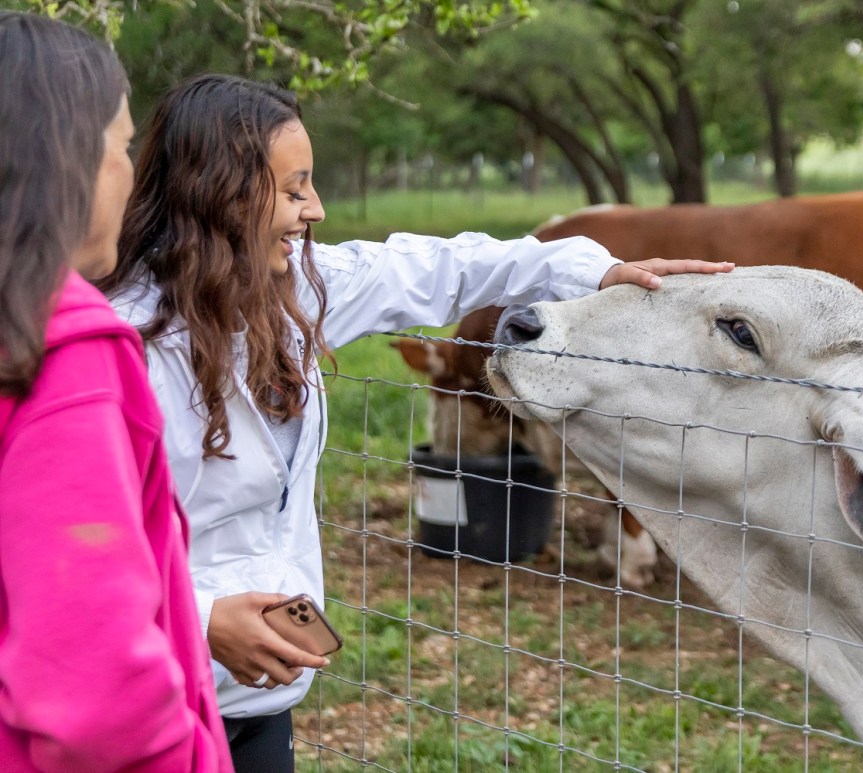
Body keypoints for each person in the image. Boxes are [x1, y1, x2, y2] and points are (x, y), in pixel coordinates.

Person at [100, 72, 733, 771]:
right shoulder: (125, 347)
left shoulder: (291, 296)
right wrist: (202, 618)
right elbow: (84, 546)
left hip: (260, 698)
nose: (317, 209)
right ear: (220, 193)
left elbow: (440, 267)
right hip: (151, 700)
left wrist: (594, 272)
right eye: (294, 188)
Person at [0, 14, 233, 772]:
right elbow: (96, 697)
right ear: (65, 158)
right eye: (121, 144)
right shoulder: (63, 353)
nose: (130, 172)